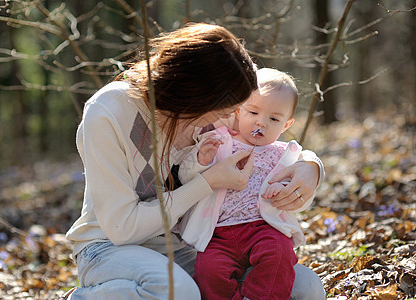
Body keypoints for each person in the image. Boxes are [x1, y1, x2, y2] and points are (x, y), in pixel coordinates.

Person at [64, 23, 324, 300]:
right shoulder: (108, 112)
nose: (227, 119)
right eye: (224, 110)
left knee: (304, 287)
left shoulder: (215, 113)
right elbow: (122, 229)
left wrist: (311, 166)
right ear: (195, 95)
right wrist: (207, 182)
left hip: (181, 244)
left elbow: (265, 135)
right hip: (107, 246)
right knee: (178, 292)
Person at [178, 68, 318, 300]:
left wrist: (282, 188)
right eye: (253, 112)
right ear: (239, 111)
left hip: (264, 228)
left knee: (279, 256)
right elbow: (187, 177)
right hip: (218, 233)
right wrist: (200, 159)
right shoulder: (220, 142)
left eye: (273, 119)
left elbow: (300, 190)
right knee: (208, 271)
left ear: (286, 124)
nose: (260, 123)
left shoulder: (284, 154)